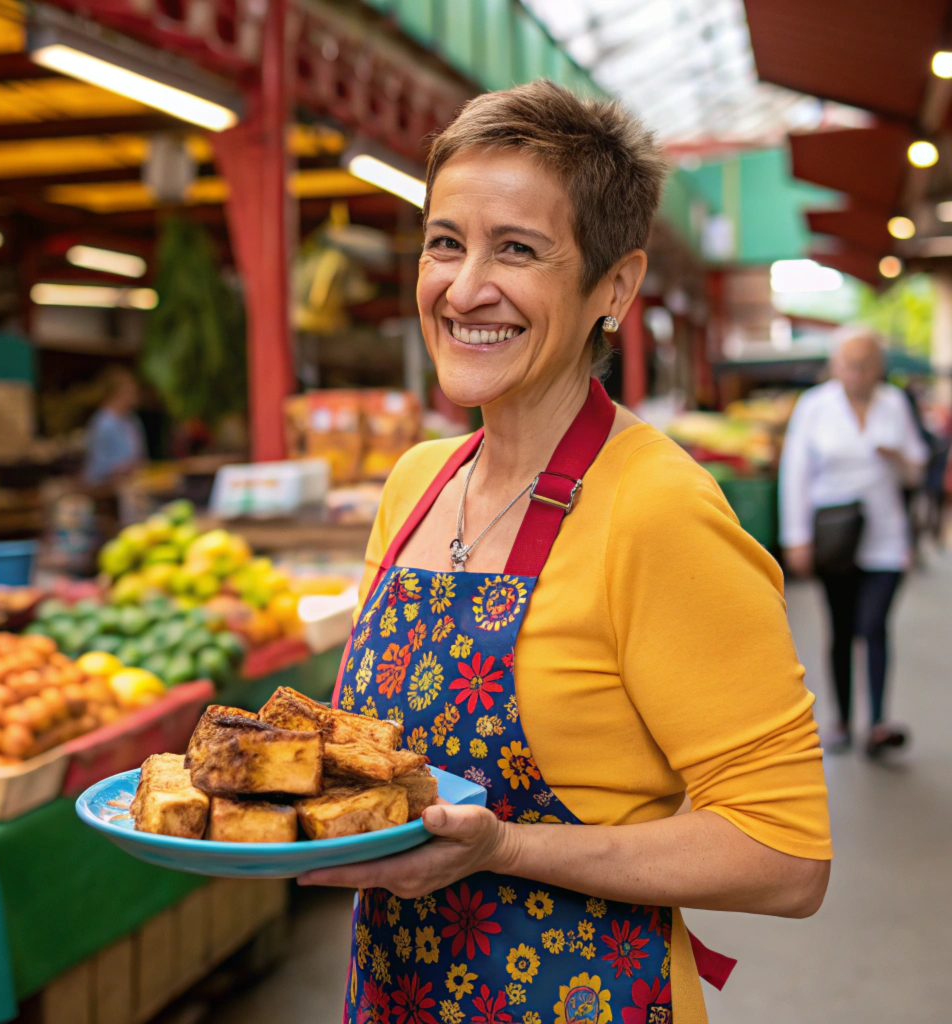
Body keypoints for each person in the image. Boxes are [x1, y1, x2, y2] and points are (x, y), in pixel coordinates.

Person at [298, 82, 832, 1024]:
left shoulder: (658, 510)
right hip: (394, 994)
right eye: (445, 242)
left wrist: (503, 848)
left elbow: (785, 856)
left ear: (613, 288)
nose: (465, 289)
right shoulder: (415, 482)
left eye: (517, 249)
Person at [780, 329, 927, 757]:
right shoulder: (814, 407)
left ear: (879, 367)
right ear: (836, 366)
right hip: (835, 538)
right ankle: (843, 719)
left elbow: (917, 471)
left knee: (873, 625)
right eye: (850, 364)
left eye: (866, 365)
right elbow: (796, 475)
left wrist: (897, 458)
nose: (858, 373)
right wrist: (797, 538)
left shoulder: (895, 404)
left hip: (885, 536)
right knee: (841, 628)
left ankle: (878, 722)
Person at [82, 368, 148, 486]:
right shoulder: (104, 423)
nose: (136, 395)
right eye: (131, 391)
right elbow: (98, 468)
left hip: (134, 483)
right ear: (118, 392)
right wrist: (122, 470)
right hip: (108, 488)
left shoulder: (132, 419)